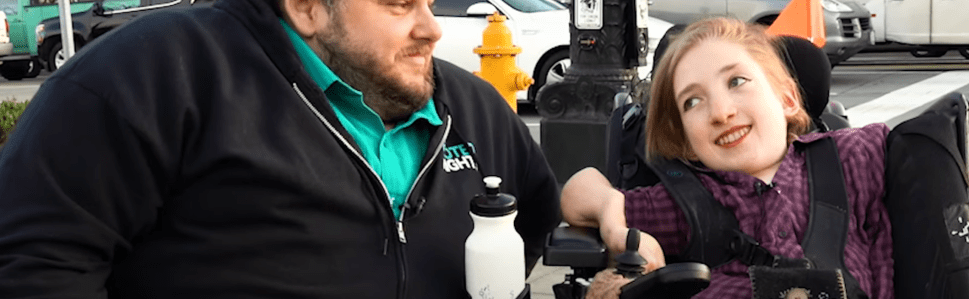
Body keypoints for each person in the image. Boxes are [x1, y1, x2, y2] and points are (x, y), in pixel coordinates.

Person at [0, 0, 562, 297]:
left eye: (429, 2)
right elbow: (37, 262)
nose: (432, 28)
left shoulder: (473, 107)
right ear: (307, 7)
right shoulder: (152, 77)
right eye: (399, 4)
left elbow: (534, 216)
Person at [561, 18, 893, 299]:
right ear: (688, 144)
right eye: (692, 102)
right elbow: (578, 192)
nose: (721, 112)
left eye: (737, 81)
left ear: (788, 99)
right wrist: (615, 224)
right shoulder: (689, 199)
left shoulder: (854, 157)